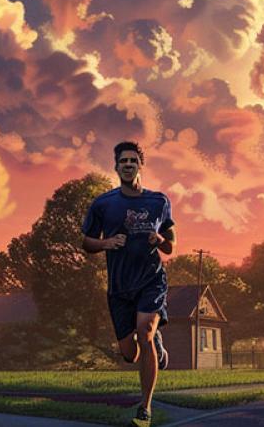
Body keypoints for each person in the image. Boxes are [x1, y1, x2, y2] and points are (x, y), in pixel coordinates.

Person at [82, 141, 175, 427]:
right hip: (120, 287)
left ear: (140, 165)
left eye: (133, 160)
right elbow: (85, 242)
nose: (128, 164)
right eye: (123, 160)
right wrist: (107, 242)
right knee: (129, 353)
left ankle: (145, 407)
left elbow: (171, 246)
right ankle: (155, 342)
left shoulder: (159, 201)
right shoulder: (103, 204)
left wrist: (159, 240)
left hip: (151, 280)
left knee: (144, 333)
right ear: (116, 166)